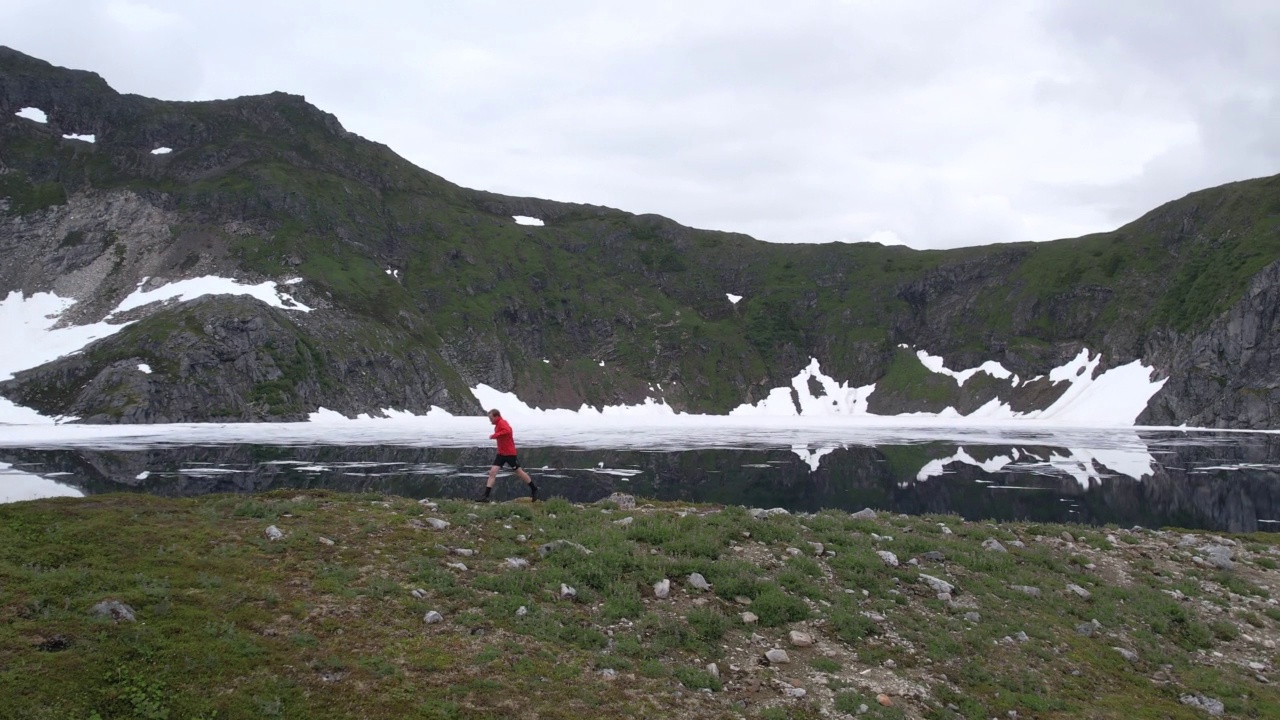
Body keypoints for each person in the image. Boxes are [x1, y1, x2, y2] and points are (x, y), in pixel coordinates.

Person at [480, 409, 538, 502]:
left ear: (496, 417)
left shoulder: (502, 423)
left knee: (519, 472)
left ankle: (534, 489)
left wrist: (496, 435)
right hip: (501, 453)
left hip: (509, 453)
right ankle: (485, 496)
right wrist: (497, 435)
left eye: (491, 418)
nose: (490, 420)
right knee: (492, 472)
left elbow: (507, 431)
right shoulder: (498, 424)